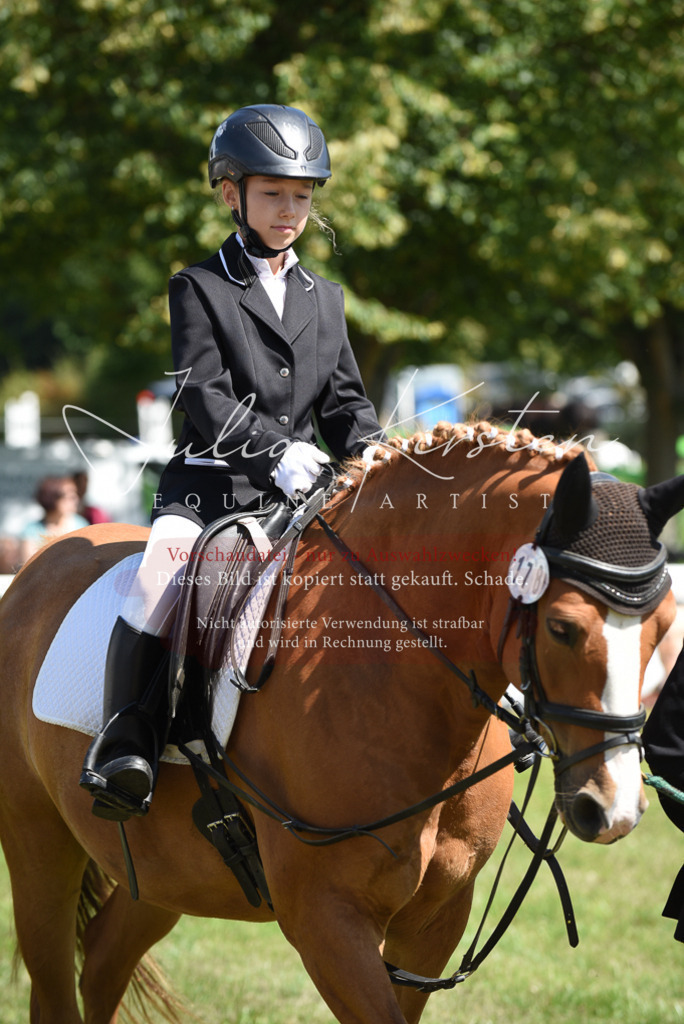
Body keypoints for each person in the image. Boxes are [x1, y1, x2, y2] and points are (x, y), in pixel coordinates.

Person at [80, 103, 384, 821]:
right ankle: (128, 736)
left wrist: (373, 457)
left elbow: (346, 406)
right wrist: (275, 451)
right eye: (274, 193)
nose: (290, 210)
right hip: (210, 492)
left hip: (301, 499)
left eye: (302, 196)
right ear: (230, 193)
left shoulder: (328, 300)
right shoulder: (198, 287)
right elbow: (205, 397)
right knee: (160, 576)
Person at [19, 475, 89, 562]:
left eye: (75, 495)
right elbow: (28, 567)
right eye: (69, 496)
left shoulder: (81, 525)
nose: (76, 499)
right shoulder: (32, 530)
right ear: (52, 498)